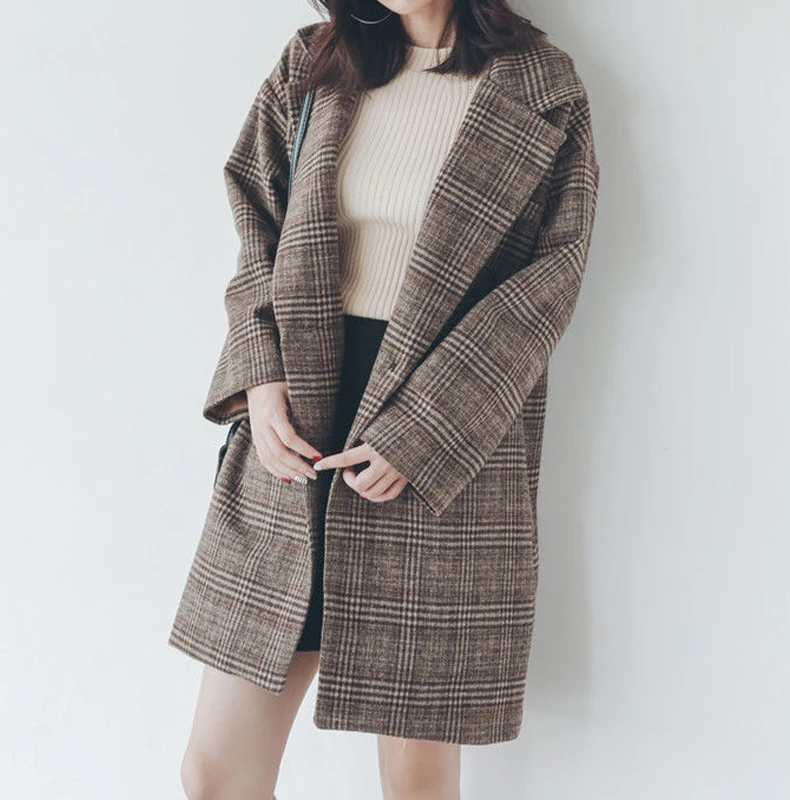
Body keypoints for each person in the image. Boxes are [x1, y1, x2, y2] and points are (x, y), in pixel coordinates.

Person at [171, 1, 600, 797]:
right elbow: (257, 226)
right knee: (216, 771)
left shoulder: (541, 86)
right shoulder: (314, 62)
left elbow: (550, 280)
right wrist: (259, 379)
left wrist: (425, 432)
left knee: (416, 783)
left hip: (442, 442)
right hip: (297, 423)